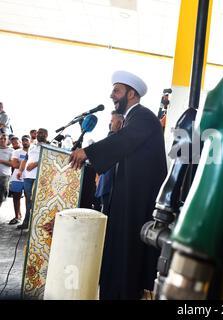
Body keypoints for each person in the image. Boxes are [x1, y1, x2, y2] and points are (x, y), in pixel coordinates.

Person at [70, 70, 167, 300]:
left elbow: (123, 140)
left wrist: (88, 152)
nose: (112, 95)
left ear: (131, 94)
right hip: (129, 197)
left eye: (117, 91)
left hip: (137, 200)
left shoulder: (142, 116)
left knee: (126, 256)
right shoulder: (134, 117)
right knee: (120, 255)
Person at [16, 128, 48, 230]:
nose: (39, 134)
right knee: (29, 200)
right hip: (27, 177)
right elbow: (25, 160)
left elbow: (49, 159)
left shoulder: (50, 146)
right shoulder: (32, 147)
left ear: (46, 135)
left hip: (39, 177)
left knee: (38, 200)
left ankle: (38, 224)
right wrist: (20, 171)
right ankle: (26, 222)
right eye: (38, 133)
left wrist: (35, 164)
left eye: (42, 133)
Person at [95, 110, 124, 215]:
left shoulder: (118, 139)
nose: (110, 124)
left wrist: (111, 133)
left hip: (111, 187)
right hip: (105, 185)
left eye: (112, 121)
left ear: (120, 123)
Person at [8, 135, 31, 225]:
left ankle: (27, 218)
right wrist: (28, 164)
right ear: (21, 142)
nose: (25, 142)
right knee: (16, 197)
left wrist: (20, 163)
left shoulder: (33, 152)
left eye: (27, 140)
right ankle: (17, 216)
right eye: (23, 140)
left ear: (30, 141)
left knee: (28, 198)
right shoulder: (17, 151)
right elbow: (14, 164)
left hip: (28, 178)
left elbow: (19, 164)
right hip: (16, 178)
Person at [0, 134, 12, 208]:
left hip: (4, 177)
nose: (2, 140)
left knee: (1, 197)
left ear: (8, 141)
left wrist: (1, 161)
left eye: (5, 139)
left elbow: (12, 164)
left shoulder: (11, 151)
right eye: (1, 138)